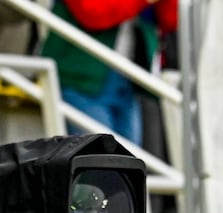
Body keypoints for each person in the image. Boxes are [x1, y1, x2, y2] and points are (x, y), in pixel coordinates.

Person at [40, 0, 179, 146]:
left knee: (129, 161)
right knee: (98, 158)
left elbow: (170, 20)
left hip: (128, 79)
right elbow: (93, 12)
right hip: (81, 78)